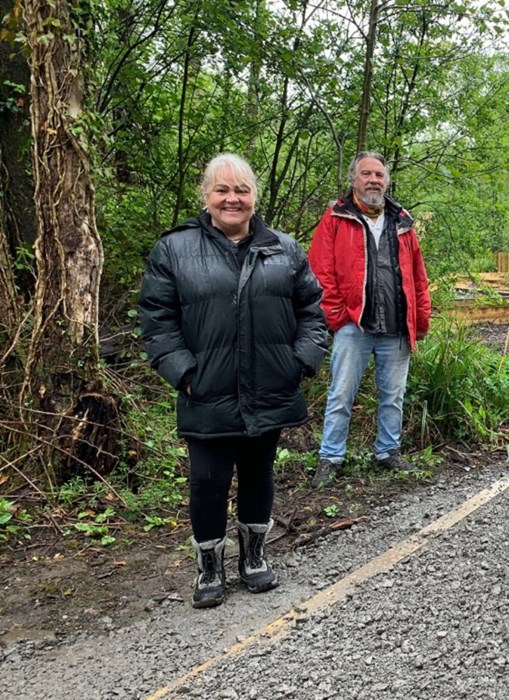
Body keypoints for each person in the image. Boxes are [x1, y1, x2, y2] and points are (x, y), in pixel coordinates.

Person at [138, 154, 328, 608]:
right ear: (206, 195)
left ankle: (254, 558)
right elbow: (156, 320)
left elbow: (312, 312)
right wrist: (183, 374)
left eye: (241, 190)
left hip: (269, 388)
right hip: (207, 391)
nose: (232, 199)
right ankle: (209, 567)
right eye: (222, 190)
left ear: (253, 197)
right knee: (207, 480)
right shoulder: (175, 249)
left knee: (258, 474)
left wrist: (298, 362)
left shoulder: (284, 249)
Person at [308, 152, 431, 487]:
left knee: (393, 395)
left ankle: (388, 451)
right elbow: (320, 273)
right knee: (341, 394)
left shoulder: (402, 222)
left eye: (379, 174)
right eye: (366, 174)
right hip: (354, 327)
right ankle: (331, 456)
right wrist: (338, 318)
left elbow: (418, 276)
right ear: (354, 179)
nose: (373, 180)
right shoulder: (335, 218)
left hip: (396, 326)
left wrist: (420, 320)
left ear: (386, 181)